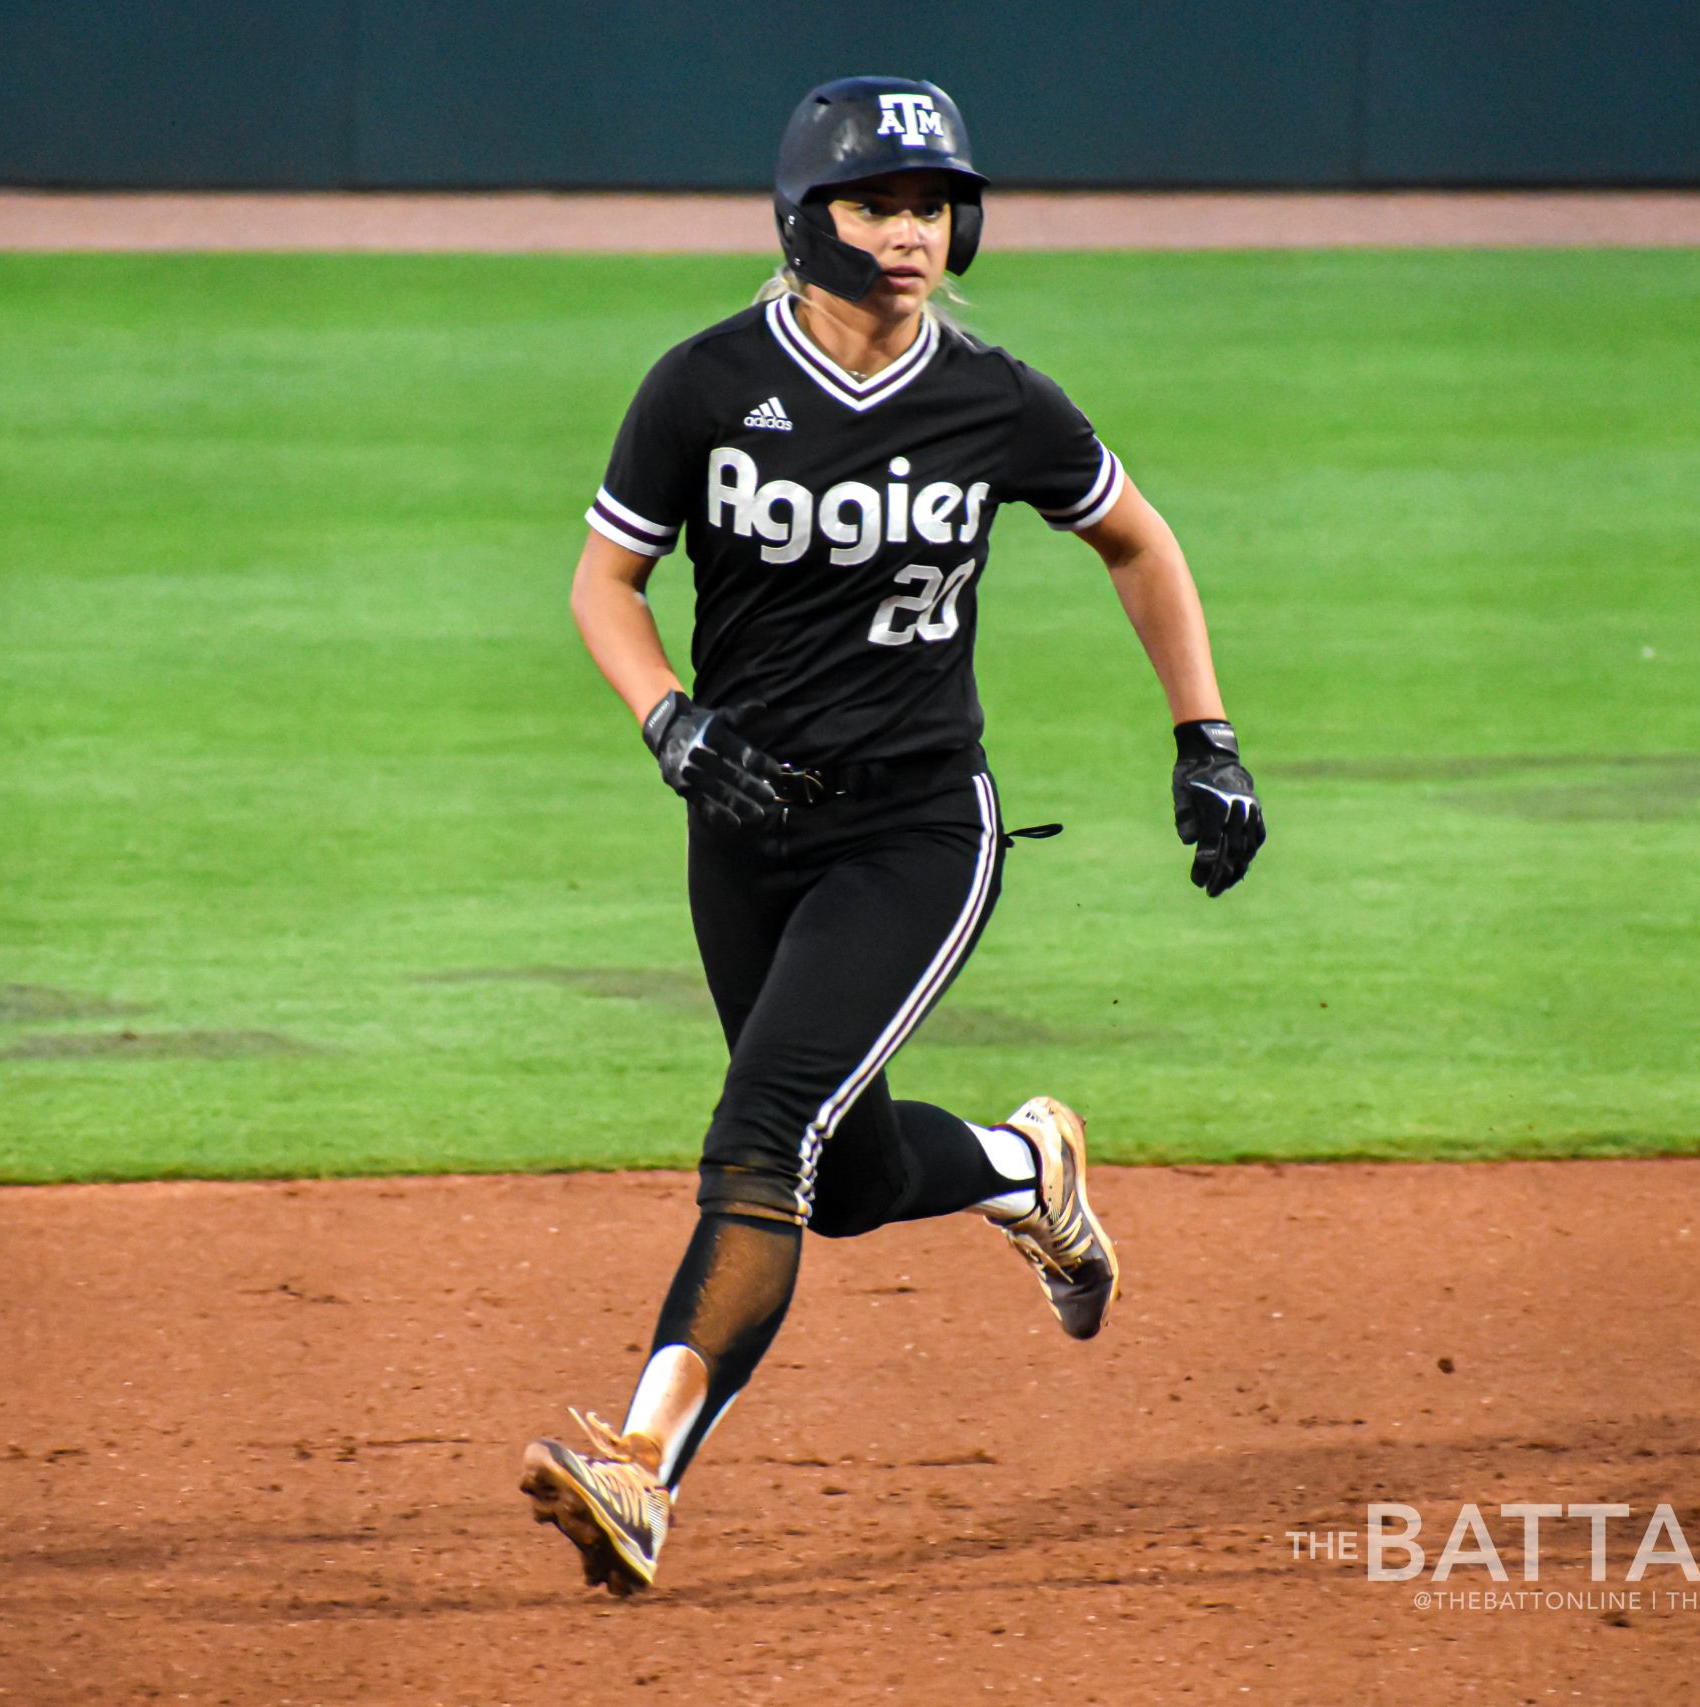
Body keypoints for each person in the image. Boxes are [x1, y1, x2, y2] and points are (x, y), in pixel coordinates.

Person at [518, 75, 1265, 1596]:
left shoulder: (994, 400)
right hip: (743, 831)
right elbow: (607, 586)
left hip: (918, 835)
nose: (912, 235)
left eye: (933, 207)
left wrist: (1208, 737)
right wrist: (672, 718)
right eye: (878, 205)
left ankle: (642, 1468)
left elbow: (1136, 535)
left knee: (757, 1138)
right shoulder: (703, 386)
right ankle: (1023, 1169)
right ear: (808, 219)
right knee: (842, 1177)